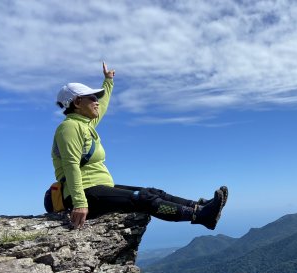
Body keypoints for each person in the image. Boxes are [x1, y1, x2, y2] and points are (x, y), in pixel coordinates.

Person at [51, 62, 227, 229]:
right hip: (86, 192)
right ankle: (200, 216)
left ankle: (199, 206)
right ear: (77, 102)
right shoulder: (69, 127)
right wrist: (80, 203)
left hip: (100, 189)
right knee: (143, 199)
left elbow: (102, 106)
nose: (97, 100)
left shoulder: (85, 125)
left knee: (153, 192)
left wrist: (108, 81)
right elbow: (70, 165)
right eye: (92, 97)